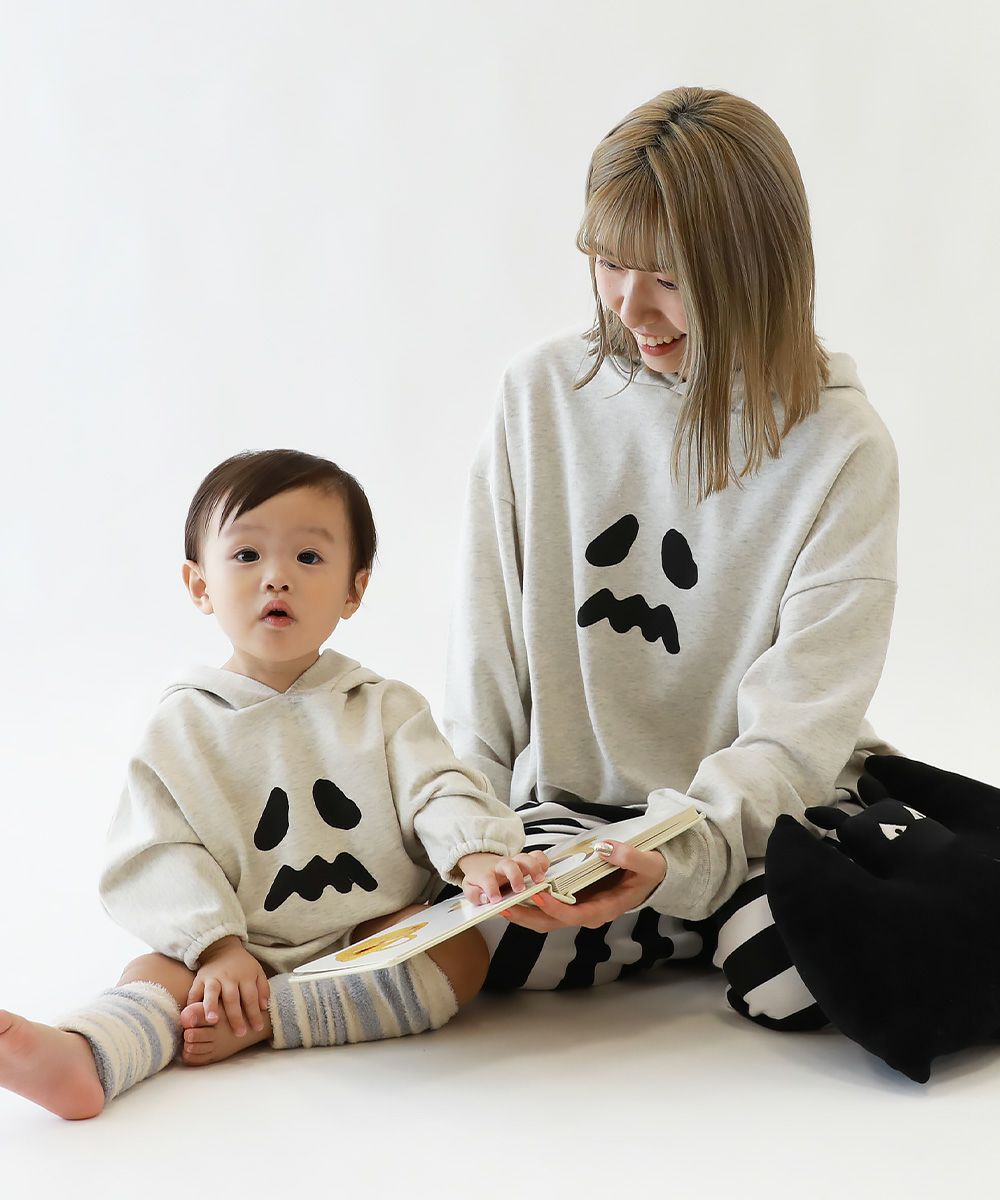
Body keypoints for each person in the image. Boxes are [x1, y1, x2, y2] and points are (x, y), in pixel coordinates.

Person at [443, 85, 898, 1023]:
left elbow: (797, 724)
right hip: (573, 810)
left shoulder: (843, 447)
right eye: (609, 264)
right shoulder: (540, 395)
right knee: (482, 937)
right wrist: (475, 832)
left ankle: (682, 916)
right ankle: (686, 922)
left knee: (796, 980)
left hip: (757, 813)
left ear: (757, 268)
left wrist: (679, 855)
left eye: (670, 277)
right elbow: (485, 664)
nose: (630, 305)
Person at [0, 448, 547, 1119]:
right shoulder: (182, 726)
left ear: (354, 590)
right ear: (199, 584)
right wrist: (217, 946)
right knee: (155, 977)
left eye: (308, 557)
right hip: (235, 942)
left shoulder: (384, 707)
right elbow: (158, 849)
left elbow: (437, 788)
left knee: (459, 956)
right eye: (246, 555)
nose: (277, 577)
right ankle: (86, 1057)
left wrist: (476, 854)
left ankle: (272, 1015)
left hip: (368, 931)